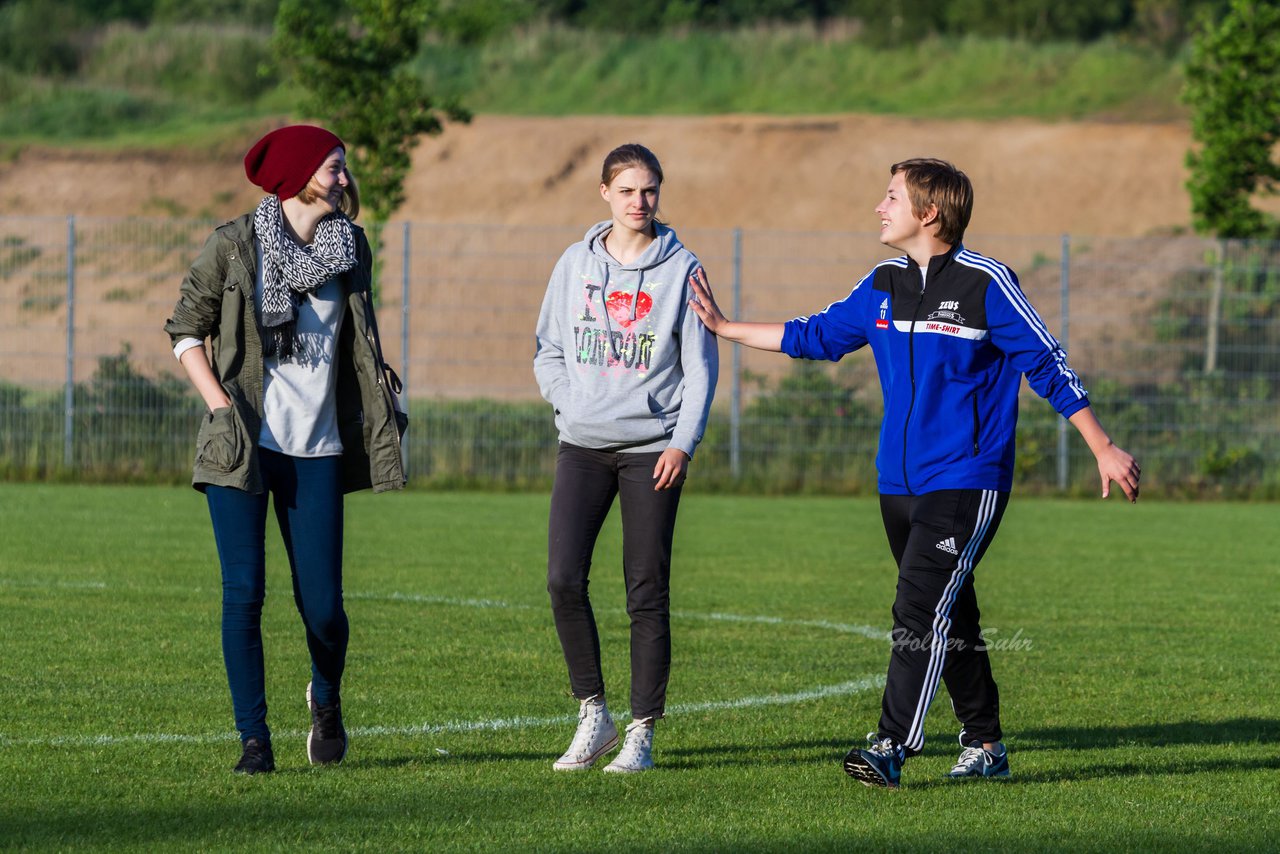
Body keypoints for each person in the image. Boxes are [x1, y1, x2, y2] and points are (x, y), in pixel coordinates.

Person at [687, 157, 1139, 788]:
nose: (880, 206)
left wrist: (1102, 445)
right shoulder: (882, 283)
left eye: (892, 196)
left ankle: (891, 745)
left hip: (966, 478)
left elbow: (1046, 362)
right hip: (896, 485)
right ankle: (986, 746)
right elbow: (816, 335)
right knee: (951, 618)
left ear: (928, 213)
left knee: (917, 610)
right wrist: (726, 327)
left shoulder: (988, 284)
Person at [164, 125, 406, 774]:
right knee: (244, 593)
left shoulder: (350, 246)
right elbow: (185, 330)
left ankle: (325, 699)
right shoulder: (235, 246)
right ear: (299, 172)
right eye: (333, 167)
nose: (345, 179)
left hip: (319, 448)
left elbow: (358, 339)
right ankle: (255, 742)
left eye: (344, 168)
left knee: (324, 609)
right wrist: (220, 406)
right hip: (241, 446)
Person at [533, 143, 719, 773]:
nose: (641, 202)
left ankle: (641, 730)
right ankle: (594, 713)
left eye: (651, 191)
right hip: (581, 445)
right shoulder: (572, 263)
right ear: (605, 193)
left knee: (645, 590)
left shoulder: (684, 269)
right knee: (562, 578)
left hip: (651, 451)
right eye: (629, 190)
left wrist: (681, 443)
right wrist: (570, 406)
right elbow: (548, 349)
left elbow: (700, 370)